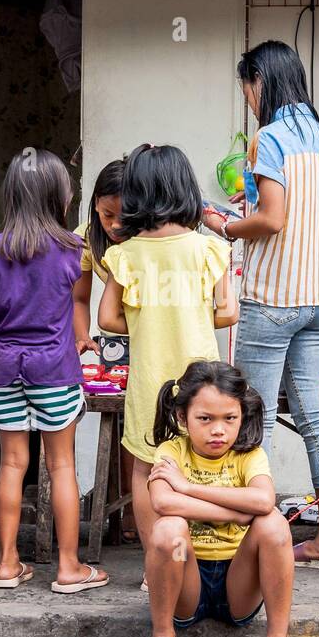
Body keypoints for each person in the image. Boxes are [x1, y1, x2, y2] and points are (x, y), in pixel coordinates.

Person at [201, 40, 319, 570]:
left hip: (274, 299)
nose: (247, 99)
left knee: (253, 420)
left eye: (247, 88)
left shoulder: (270, 138)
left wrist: (224, 224)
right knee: (315, 416)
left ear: (260, 82)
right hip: (318, 300)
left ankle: (249, 546)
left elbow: (270, 219)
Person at [130, 361, 311, 637]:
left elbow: (262, 502)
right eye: (205, 419)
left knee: (273, 524)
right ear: (183, 417)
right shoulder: (171, 451)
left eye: (230, 419)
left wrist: (186, 488)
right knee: (168, 528)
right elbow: (163, 502)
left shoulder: (249, 454)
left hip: (239, 583)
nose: (218, 430)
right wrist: (237, 511)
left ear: (242, 416)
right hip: (185, 576)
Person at [99, 144, 237, 556]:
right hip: (201, 384)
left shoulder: (125, 253)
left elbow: (107, 319)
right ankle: (200, 558)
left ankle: (155, 566)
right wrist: (188, 315)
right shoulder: (209, 249)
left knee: (146, 468)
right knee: (201, 466)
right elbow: (227, 313)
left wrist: (148, 321)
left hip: (148, 380)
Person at [0, 149, 109, 593]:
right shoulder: (73, 250)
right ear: (60, 197)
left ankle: (6, 563)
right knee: (61, 466)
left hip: (2, 368)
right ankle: (69, 567)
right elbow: (75, 303)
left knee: (12, 464)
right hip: (54, 369)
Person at [72, 156, 139, 540]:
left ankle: (134, 515)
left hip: (157, 336)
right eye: (106, 213)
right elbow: (80, 298)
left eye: (124, 217)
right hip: (116, 337)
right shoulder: (85, 236)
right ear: (94, 203)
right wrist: (82, 335)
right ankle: (120, 511)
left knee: (144, 423)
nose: (114, 225)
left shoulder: (150, 238)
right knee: (118, 421)